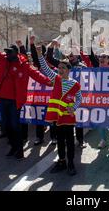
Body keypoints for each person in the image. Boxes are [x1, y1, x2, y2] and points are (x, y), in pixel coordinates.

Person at [0, 26, 52, 160]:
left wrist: (50, 82)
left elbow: (37, 75)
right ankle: (13, 146)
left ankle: (19, 150)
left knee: (15, 125)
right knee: (6, 125)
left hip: (16, 100)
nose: (7, 54)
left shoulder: (24, 65)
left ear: (16, 53)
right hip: (3, 98)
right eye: (6, 52)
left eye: (9, 52)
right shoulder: (3, 60)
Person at [36, 46, 81, 176]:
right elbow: (45, 68)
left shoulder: (75, 84)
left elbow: (79, 98)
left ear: (68, 70)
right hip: (57, 117)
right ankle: (62, 162)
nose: (60, 70)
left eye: (63, 68)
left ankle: (71, 163)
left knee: (70, 141)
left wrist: (74, 108)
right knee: (60, 141)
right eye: (59, 68)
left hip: (68, 117)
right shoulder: (56, 79)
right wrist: (39, 54)